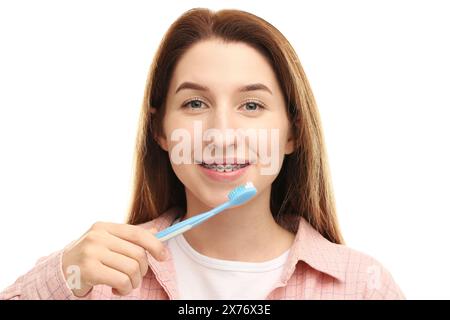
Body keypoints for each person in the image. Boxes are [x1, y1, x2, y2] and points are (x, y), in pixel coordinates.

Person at [0, 8, 404, 300]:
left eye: (251, 106)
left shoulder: (362, 286)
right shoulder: (97, 283)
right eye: (195, 104)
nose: (222, 134)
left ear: (292, 134)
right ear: (159, 130)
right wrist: (62, 282)